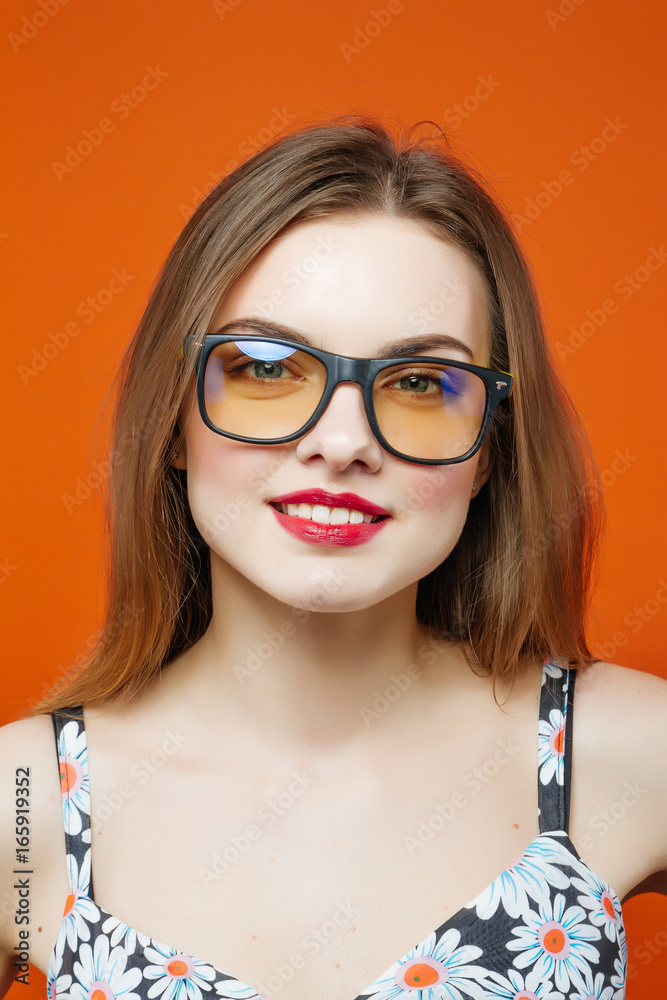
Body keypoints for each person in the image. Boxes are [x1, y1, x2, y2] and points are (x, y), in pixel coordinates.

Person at [0, 113, 665, 1000]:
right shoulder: (21, 801)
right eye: (270, 367)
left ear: (489, 453)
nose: (343, 441)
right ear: (172, 418)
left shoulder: (630, 751)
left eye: (421, 383)